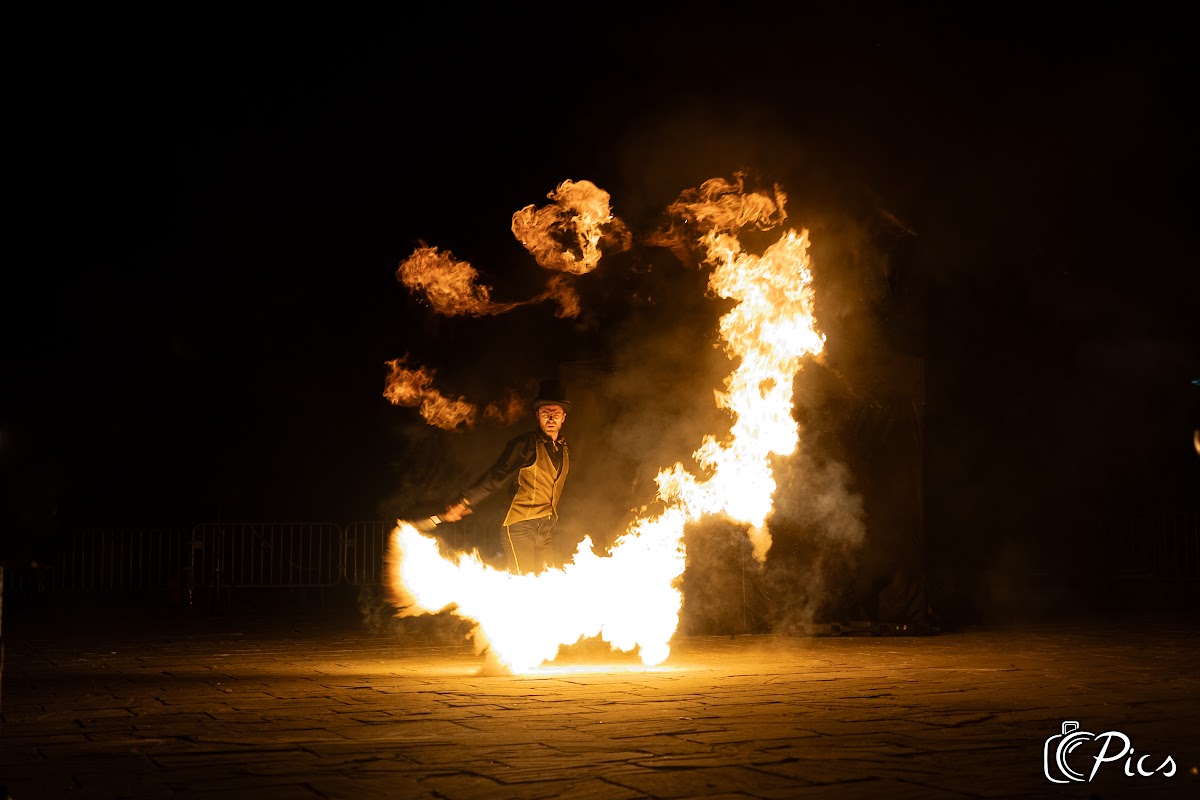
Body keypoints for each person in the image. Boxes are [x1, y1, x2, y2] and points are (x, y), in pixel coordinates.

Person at [440, 379, 571, 574]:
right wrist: (464, 502)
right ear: (537, 416)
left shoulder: (564, 448)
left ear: (563, 417)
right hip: (520, 527)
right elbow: (495, 477)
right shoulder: (525, 444)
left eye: (555, 414)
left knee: (548, 586)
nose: (550, 419)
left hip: (545, 528)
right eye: (545, 414)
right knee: (526, 587)